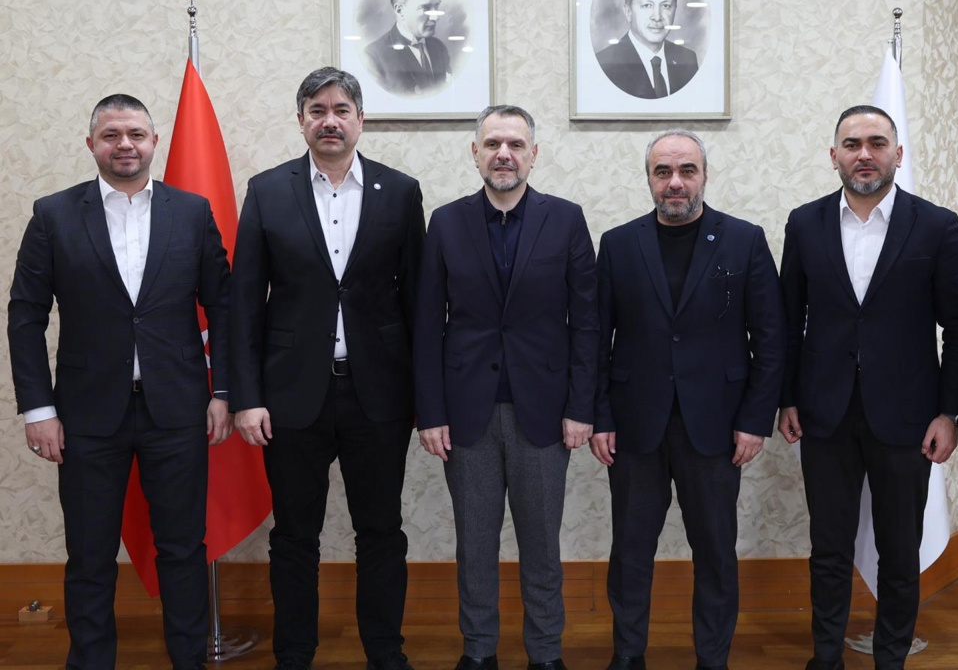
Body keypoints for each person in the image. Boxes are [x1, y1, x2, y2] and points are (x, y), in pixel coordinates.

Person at [8, 94, 232, 669]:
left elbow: (224, 308)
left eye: (135, 134)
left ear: (154, 142)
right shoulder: (54, 214)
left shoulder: (192, 212)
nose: (124, 144)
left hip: (177, 410)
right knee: (89, 555)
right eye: (111, 135)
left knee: (182, 549)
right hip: (84, 416)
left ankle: (188, 659)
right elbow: (26, 315)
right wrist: (39, 410)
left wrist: (224, 391)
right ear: (92, 145)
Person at [229, 67, 425, 670]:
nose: (330, 121)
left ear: (361, 119)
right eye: (318, 110)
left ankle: (385, 651)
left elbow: (418, 303)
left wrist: (425, 400)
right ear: (301, 122)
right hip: (290, 396)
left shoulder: (401, 191)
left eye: (342, 110)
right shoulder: (267, 191)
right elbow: (245, 303)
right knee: (294, 536)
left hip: (379, 395)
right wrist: (247, 396)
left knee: (381, 532)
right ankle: (294, 653)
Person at [778, 105, 958, 670]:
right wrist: (786, 397)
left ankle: (891, 657)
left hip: (909, 418)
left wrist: (949, 413)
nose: (864, 154)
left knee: (899, 551)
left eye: (877, 143)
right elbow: (788, 321)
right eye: (852, 144)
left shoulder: (936, 225)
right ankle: (825, 658)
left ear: (898, 153)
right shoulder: (804, 223)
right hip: (824, 413)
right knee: (829, 548)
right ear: (834, 155)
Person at [591, 129, 785, 670]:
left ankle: (712, 658)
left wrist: (755, 421)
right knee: (631, 551)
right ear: (649, 179)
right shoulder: (618, 244)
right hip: (634, 426)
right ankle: (628, 654)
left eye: (686, 171)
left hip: (718, 426)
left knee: (716, 551)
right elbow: (595, 340)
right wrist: (600, 416)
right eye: (663, 172)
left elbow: (771, 340)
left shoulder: (744, 240)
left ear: (704, 175)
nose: (675, 182)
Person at [413, 104, 598, 670]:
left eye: (516, 144)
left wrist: (581, 407)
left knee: (542, 545)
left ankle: (545, 652)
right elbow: (427, 324)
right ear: (475, 153)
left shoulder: (565, 219)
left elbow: (587, 323)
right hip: (465, 414)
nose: (504, 154)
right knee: (475, 545)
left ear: (533, 154)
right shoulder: (446, 222)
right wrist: (430, 412)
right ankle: (478, 652)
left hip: (543, 414)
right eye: (493, 143)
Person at [595, 0, 699, 99]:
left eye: (666, 6)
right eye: (647, 5)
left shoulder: (687, 59)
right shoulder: (605, 63)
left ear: (675, 10)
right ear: (628, 12)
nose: (657, 17)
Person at [364, 0, 451, 96]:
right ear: (400, 10)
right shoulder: (374, 56)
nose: (435, 17)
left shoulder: (439, 48)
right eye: (425, 8)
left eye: (436, 6)